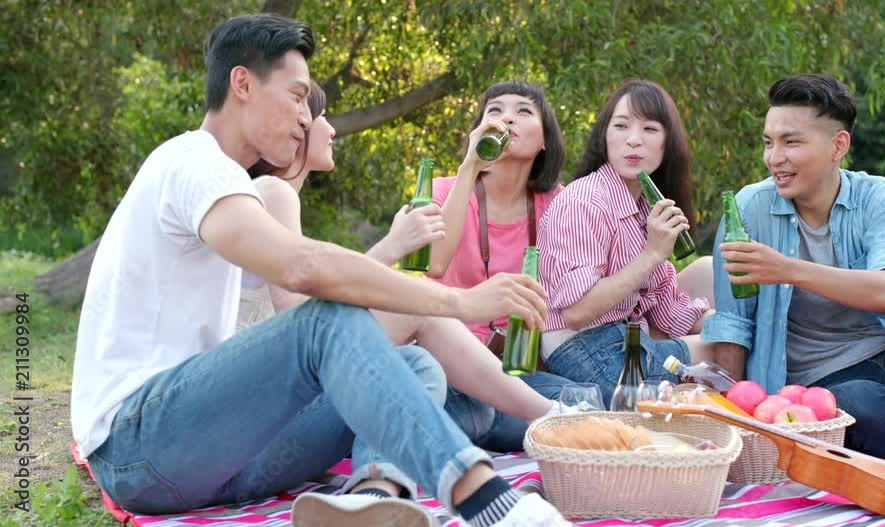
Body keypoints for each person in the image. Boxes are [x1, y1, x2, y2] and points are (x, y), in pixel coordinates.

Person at [69, 13, 570, 527]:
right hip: (138, 446)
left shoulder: (238, 184)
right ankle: (487, 500)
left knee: (414, 365)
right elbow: (302, 270)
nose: (306, 118)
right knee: (327, 319)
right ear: (242, 84)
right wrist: (462, 302)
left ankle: (373, 499)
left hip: (220, 460)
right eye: (296, 96)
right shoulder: (190, 161)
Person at [239, 80, 569, 455]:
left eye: (523, 111)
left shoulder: (557, 202)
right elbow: (305, 316)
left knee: (418, 365)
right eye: (322, 116)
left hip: (500, 366)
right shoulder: (276, 192)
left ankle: (381, 478)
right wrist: (394, 244)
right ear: (297, 126)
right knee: (426, 330)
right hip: (279, 410)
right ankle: (551, 418)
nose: (332, 129)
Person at [702, 74, 885, 465]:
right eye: (768, 142)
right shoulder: (748, 210)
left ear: (838, 145)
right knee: (853, 400)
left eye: (791, 142)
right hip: (824, 392)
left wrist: (787, 269)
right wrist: (736, 422)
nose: (774, 157)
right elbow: (732, 325)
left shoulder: (879, 198)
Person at [536, 79, 716, 406]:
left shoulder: (646, 207)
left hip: (626, 340)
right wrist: (652, 253)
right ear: (604, 136)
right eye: (621, 126)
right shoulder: (584, 200)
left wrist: (731, 322)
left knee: (725, 317)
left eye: (650, 129)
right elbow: (577, 312)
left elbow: (668, 311)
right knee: (723, 351)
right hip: (581, 349)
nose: (633, 139)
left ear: (668, 143)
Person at [426, 80, 574, 450]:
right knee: (478, 412)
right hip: (452, 366)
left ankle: (488, 424)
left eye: (523, 111)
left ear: (545, 140)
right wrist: (470, 166)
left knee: (587, 402)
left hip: (517, 373)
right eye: (495, 111)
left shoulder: (559, 203)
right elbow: (434, 264)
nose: (507, 118)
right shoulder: (444, 190)